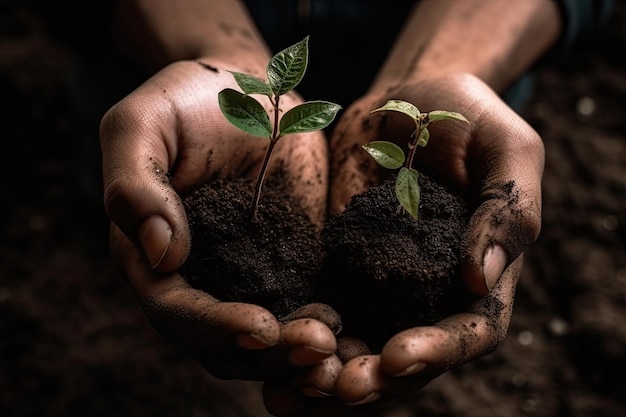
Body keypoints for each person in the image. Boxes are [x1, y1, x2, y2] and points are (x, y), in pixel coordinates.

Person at [36, 0, 614, 415]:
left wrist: (437, 68)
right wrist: (213, 51)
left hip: (466, 61)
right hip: (154, 66)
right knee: (129, 207)